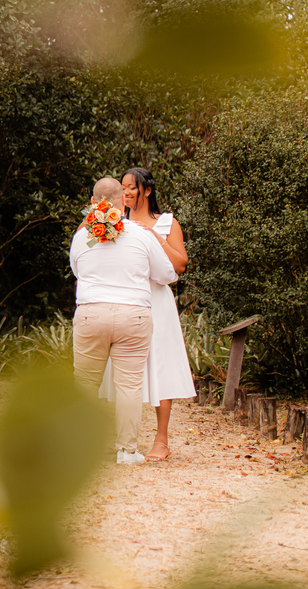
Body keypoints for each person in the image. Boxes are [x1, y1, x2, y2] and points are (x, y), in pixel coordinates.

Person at [69, 177, 177, 465]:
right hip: (134, 314)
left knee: (84, 384)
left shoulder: (82, 236)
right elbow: (168, 275)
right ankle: (127, 452)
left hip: (92, 311)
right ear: (123, 202)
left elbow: (77, 271)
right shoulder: (141, 235)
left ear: (93, 203)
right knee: (129, 385)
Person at [98, 167, 194, 462]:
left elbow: (180, 265)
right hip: (125, 298)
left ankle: (161, 439)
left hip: (157, 301)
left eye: (130, 188)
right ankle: (124, 440)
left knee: (160, 365)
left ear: (147, 191)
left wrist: (156, 239)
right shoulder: (115, 223)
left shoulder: (166, 223)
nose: (125, 193)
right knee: (124, 371)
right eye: (123, 188)